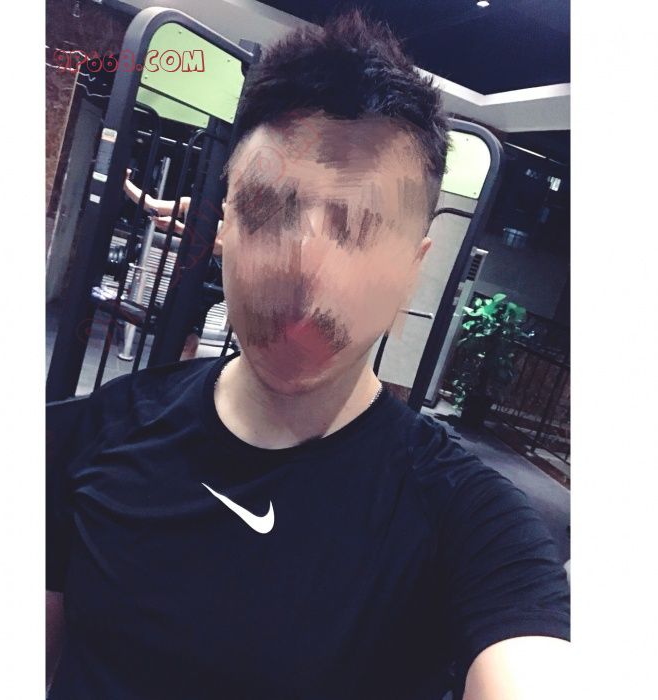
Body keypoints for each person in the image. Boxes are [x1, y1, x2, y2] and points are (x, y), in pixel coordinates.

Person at [47, 11, 570, 699]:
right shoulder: (83, 437)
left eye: (360, 227)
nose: (305, 265)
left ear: (413, 268)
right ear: (226, 228)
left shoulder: (470, 522)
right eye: (270, 210)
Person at [122, 170, 224, 359]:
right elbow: (151, 204)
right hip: (191, 275)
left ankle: (172, 363)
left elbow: (220, 247)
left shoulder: (232, 219)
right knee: (187, 337)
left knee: (186, 333)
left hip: (213, 282)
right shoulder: (190, 203)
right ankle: (173, 366)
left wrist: (179, 228)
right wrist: (124, 182)